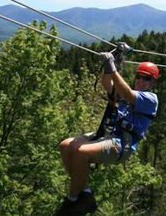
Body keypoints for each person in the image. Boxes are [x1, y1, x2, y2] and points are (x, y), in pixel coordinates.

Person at [56, 53, 159, 215]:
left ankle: (72, 200)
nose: (140, 80)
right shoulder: (128, 94)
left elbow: (126, 94)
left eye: (146, 78)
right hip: (107, 133)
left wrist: (112, 65)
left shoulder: (150, 99)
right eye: (138, 76)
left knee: (81, 152)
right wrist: (108, 66)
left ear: (152, 82)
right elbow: (106, 83)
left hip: (121, 144)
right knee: (65, 145)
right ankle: (86, 194)